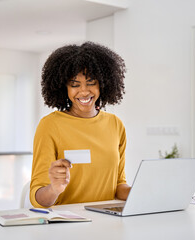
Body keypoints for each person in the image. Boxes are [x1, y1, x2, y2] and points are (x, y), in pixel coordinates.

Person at [30, 41, 131, 208]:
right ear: (64, 88)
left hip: (106, 220)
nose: (84, 91)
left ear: (103, 84)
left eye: (91, 83)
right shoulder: (50, 125)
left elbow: (119, 186)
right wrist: (54, 189)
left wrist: (146, 192)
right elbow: (38, 198)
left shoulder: (115, 124)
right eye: (74, 85)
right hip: (66, 223)